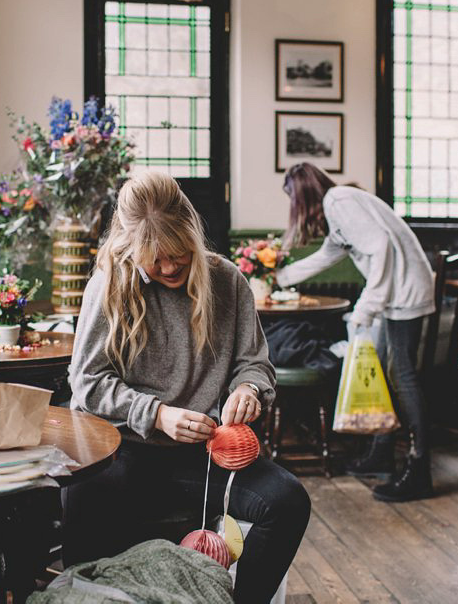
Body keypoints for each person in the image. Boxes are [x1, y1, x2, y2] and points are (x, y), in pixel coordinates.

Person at [65, 172, 310, 603]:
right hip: (122, 449)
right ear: (129, 247)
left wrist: (248, 391)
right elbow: (87, 383)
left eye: (179, 254)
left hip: (204, 453)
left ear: (192, 232)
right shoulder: (109, 285)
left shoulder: (228, 281)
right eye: (155, 259)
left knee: (287, 502)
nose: (170, 267)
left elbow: (254, 364)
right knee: (84, 505)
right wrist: (157, 414)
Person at [275, 162, 435, 502]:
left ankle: (420, 469)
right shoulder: (339, 210)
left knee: (402, 374)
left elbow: (382, 248)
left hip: (405, 292)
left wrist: (366, 306)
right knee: (387, 371)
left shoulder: (339, 201)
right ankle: (382, 454)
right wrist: (279, 277)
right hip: (398, 292)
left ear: (301, 192)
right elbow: (326, 256)